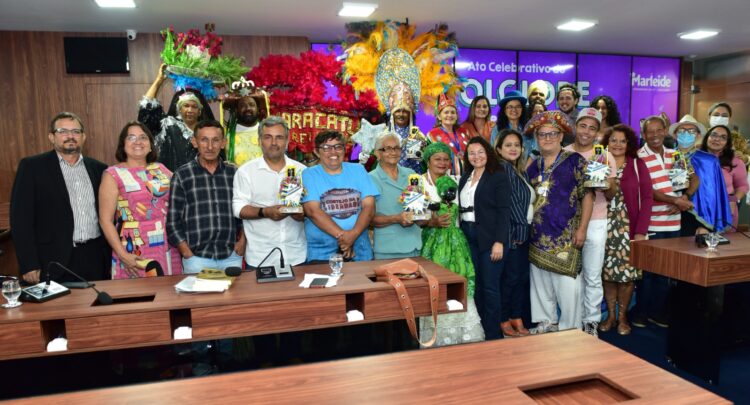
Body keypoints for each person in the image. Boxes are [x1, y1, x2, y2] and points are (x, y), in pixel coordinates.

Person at [11, 112, 110, 283]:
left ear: (84, 137)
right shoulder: (32, 167)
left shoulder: (99, 169)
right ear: (51, 137)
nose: (70, 136)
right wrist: (28, 263)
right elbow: (21, 220)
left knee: (97, 307)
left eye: (76, 132)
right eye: (63, 131)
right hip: (52, 260)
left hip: (95, 257)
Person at [525, 111, 593, 334]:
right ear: (536, 138)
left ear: (561, 136)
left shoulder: (576, 161)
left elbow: (588, 196)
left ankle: (571, 328)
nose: (547, 138)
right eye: (542, 134)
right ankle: (546, 322)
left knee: (568, 287)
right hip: (537, 234)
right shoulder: (532, 166)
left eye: (552, 134)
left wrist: (582, 229)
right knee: (540, 283)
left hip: (566, 234)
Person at [632, 115, 696, 328]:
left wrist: (684, 198)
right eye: (650, 131)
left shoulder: (675, 154)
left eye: (659, 130)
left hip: (674, 223)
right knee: (647, 273)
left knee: (666, 272)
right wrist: (674, 200)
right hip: (651, 223)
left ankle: (657, 313)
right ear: (643, 135)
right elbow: (647, 190)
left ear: (666, 130)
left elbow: (694, 178)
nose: (655, 135)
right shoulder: (639, 157)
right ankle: (640, 313)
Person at [99, 121, 182, 279]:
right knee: (138, 299)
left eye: (143, 137)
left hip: (168, 247)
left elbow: (184, 191)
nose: (138, 142)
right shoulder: (113, 174)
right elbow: (105, 221)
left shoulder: (161, 169)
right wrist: (123, 255)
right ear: (123, 145)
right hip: (133, 249)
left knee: (170, 297)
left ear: (150, 144)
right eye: (131, 137)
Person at [563, 108, 618, 336]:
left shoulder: (603, 155)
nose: (586, 131)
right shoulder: (563, 152)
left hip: (596, 221)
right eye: (583, 126)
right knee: (569, 277)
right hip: (566, 224)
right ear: (575, 126)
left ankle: (591, 322)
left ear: (598, 132)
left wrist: (605, 184)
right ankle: (571, 321)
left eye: (592, 128)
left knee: (593, 276)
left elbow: (613, 192)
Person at [167, 120, 245, 274]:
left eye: (215, 140)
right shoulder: (183, 175)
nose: (210, 146)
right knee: (199, 298)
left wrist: (242, 242)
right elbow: (172, 220)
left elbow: (244, 212)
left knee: (234, 298)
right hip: (196, 258)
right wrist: (186, 251)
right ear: (194, 142)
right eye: (204, 140)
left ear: (223, 143)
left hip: (231, 256)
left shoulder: (235, 173)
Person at [599, 124, 653, 335]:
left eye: (622, 141)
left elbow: (647, 198)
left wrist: (641, 231)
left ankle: (623, 318)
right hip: (602, 226)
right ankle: (610, 316)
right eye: (613, 140)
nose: (618, 144)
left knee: (627, 276)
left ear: (629, 143)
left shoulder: (638, 165)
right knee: (607, 273)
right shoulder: (599, 162)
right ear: (607, 142)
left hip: (628, 228)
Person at [419, 172, 484, 346]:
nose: (449, 194)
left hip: (457, 244)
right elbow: (424, 218)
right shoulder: (436, 205)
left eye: (451, 191)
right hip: (438, 242)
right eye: (446, 191)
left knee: (459, 272)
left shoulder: (455, 206)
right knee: (437, 276)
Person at [233, 116, 307, 268]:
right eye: (268, 137)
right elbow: (238, 209)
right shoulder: (246, 172)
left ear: (287, 142)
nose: (274, 143)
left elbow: (312, 208)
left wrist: (302, 214)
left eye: (279, 137)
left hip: (296, 255)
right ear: (259, 141)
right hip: (260, 257)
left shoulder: (302, 171)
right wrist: (265, 212)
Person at [458, 137, 511, 340]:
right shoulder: (465, 177)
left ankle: (493, 335)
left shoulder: (498, 176)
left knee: (490, 287)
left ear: (488, 153)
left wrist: (499, 241)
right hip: (468, 237)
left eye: (480, 152)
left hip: (491, 240)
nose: (476, 156)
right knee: (476, 286)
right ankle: (478, 333)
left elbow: (504, 211)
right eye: (472, 153)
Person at [302, 130, 378, 262]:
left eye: (338, 146)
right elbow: (312, 211)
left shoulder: (358, 170)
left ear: (344, 149)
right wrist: (345, 239)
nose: (333, 152)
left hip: (361, 251)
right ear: (316, 152)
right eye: (326, 147)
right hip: (322, 254)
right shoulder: (309, 174)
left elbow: (369, 208)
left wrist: (352, 236)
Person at [139, 63, 216, 172]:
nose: (190, 110)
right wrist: (158, 80)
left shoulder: (208, 131)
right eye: (186, 106)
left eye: (194, 106)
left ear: (199, 111)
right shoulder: (167, 125)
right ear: (179, 108)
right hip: (172, 184)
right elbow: (147, 110)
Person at [494, 129, 534, 337]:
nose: (513, 149)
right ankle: (503, 319)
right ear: (499, 149)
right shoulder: (502, 169)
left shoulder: (519, 170)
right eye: (508, 145)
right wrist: (522, 230)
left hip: (523, 233)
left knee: (519, 278)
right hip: (513, 234)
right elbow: (510, 204)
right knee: (510, 279)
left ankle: (516, 316)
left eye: (516, 145)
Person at [670, 114, 732, 235]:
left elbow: (713, 196)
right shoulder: (669, 156)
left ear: (698, 135)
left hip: (699, 218)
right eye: (682, 130)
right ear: (675, 134)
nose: (686, 134)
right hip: (669, 214)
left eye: (691, 131)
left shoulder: (709, 161)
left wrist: (705, 225)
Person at [369, 133, 422, 259]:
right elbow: (368, 219)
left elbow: (420, 210)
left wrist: (425, 215)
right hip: (388, 249)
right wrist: (396, 218)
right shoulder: (369, 178)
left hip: (415, 246)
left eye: (397, 148)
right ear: (377, 153)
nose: (393, 152)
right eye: (387, 148)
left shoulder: (412, 174)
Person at [701, 124, 748, 231]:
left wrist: (733, 200)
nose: (717, 139)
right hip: (698, 211)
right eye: (714, 135)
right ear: (707, 137)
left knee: (722, 245)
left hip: (725, 211)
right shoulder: (695, 157)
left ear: (727, 144)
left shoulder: (735, 161)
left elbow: (743, 186)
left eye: (723, 137)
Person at [223, 84, 269, 166]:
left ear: (258, 109)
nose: (248, 108)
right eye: (242, 105)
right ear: (236, 110)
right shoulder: (226, 134)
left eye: (251, 105)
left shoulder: (267, 132)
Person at [427, 94, 470, 176]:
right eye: (446, 112)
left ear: (456, 116)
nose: (450, 115)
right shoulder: (432, 135)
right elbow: (427, 161)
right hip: (443, 179)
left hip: (466, 178)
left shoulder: (464, 132)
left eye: (453, 112)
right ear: (439, 116)